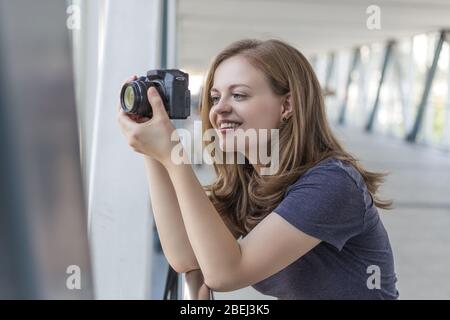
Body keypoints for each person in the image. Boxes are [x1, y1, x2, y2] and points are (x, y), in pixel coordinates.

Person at [117, 39, 399, 300]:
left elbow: (225, 273)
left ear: (287, 104)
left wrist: (172, 156)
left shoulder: (332, 184)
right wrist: (152, 153)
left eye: (238, 95)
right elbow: (185, 257)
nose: (219, 110)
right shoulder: (252, 181)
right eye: (215, 98)